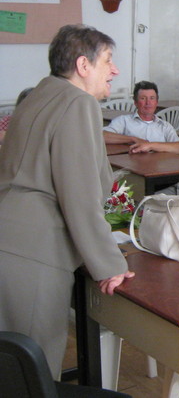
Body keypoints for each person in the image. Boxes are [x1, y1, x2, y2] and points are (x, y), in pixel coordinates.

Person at [0, 24, 134, 378]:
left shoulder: (39, 95)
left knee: (9, 361)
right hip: (33, 251)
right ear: (83, 66)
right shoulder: (78, 102)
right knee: (32, 367)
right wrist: (109, 265)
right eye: (108, 60)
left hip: (9, 239)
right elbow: (79, 194)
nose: (115, 70)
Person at [103, 80, 179, 144]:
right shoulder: (124, 121)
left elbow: (178, 147)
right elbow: (103, 136)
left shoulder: (165, 127)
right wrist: (133, 139)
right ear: (135, 102)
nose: (148, 103)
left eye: (152, 98)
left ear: (156, 102)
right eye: (143, 98)